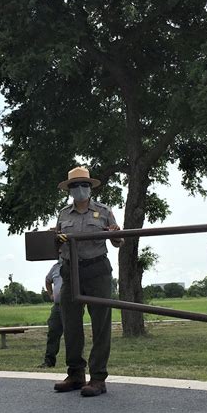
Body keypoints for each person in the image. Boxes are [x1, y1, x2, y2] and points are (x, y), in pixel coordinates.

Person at [53, 166, 123, 397]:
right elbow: (55, 242)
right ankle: (75, 373)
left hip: (97, 270)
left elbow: (118, 242)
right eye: (75, 185)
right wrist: (49, 239)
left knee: (100, 325)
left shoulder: (103, 211)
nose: (80, 189)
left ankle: (98, 377)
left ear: (90, 187)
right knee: (70, 324)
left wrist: (115, 233)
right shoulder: (63, 214)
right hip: (70, 271)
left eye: (84, 185)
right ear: (69, 190)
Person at [38, 260, 63, 368]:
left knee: (73, 334)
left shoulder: (76, 263)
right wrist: (51, 294)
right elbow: (48, 280)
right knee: (53, 332)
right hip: (57, 306)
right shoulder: (56, 267)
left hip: (72, 306)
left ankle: (75, 365)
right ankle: (49, 361)